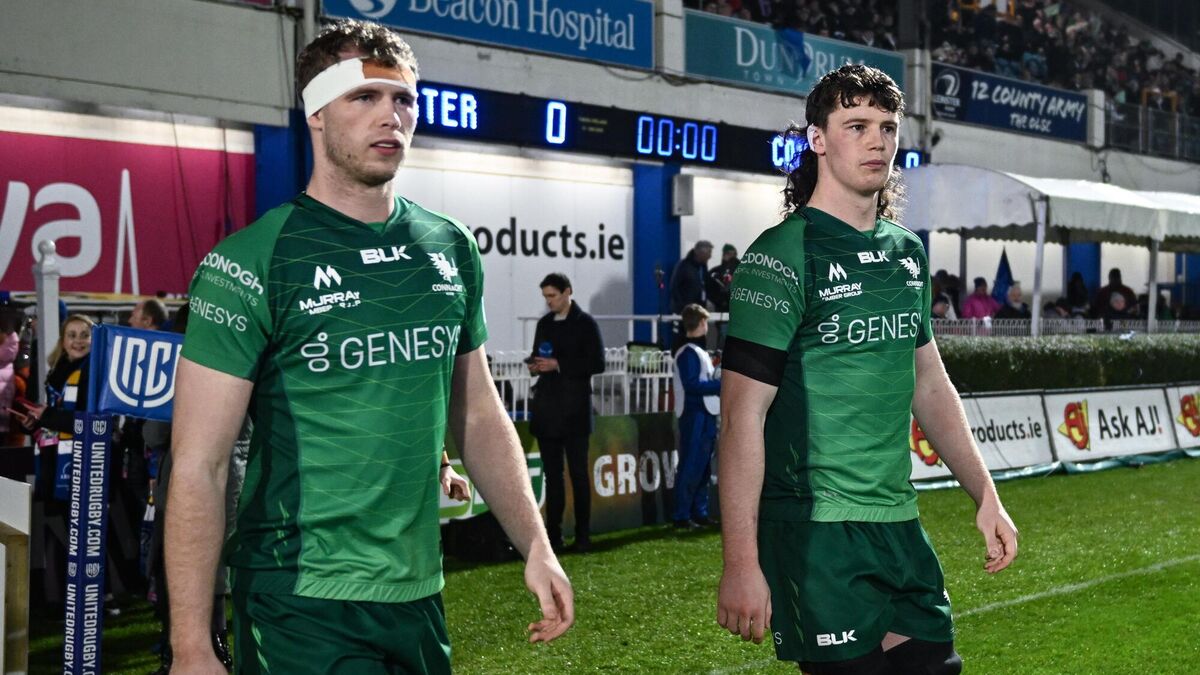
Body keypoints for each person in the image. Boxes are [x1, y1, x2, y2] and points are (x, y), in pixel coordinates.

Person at [166, 20, 573, 675]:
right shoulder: (251, 261)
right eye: (365, 97)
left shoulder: (448, 247)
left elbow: (476, 414)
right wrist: (191, 645)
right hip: (298, 596)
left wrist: (536, 543)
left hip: (418, 594)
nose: (392, 115)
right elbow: (199, 465)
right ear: (317, 113)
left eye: (404, 99)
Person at [716, 64, 1017, 675]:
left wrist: (985, 493)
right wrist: (740, 562)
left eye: (887, 127)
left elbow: (929, 384)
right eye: (856, 126)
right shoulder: (781, 256)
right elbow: (741, 418)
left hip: (899, 524)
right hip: (817, 530)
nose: (877, 141)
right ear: (818, 139)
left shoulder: (906, 253)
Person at [527, 273, 605, 552]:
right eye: (545, 297)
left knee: (578, 475)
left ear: (567, 292)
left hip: (575, 412)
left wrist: (559, 364)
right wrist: (536, 366)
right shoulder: (544, 324)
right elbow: (538, 354)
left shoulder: (586, 324)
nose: (549, 301)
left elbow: (598, 363)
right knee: (552, 477)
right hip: (548, 411)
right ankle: (554, 536)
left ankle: (583, 536)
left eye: (552, 296)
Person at [671, 304, 720, 530]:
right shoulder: (688, 353)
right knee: (691, 465)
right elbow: (692, 385)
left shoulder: (692, 352)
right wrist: (719, 384)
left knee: (702, 466)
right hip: (694, 414)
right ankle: (683, 514)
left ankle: (698, 512)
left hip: (703, 413)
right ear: (701, 323)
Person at [670, 240, 714, 313]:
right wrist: (682, 307)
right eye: (708, 252)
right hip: (684, 311)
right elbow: (674, 287)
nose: (710, 256)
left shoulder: (703, 267)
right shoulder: (684, 266)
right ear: (698, 252)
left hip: (699, 309)